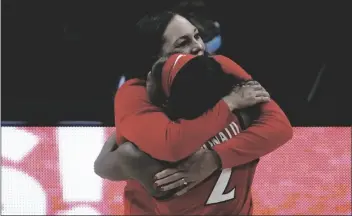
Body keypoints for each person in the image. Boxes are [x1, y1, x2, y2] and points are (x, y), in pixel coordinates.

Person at [94, 11, 292, 215]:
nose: (198, 46)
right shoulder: (135, 93)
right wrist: (228, 104)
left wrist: (214, 159)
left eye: (197, 36)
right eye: (182, 43)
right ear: (154, 57)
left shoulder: (220, 65)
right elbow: (171, 145)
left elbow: (280, 127)